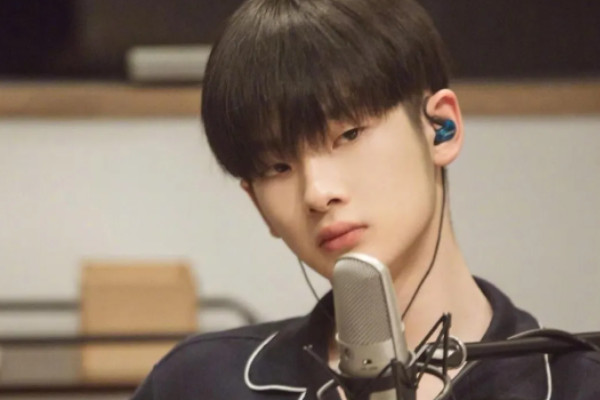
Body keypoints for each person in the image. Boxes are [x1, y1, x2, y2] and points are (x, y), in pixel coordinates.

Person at [131, 0, 600, 399]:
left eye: (349, 134)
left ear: (441, 128)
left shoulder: (576, 384)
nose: (317, 193)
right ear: (257, 204)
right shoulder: (196, 383)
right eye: (277, 167)